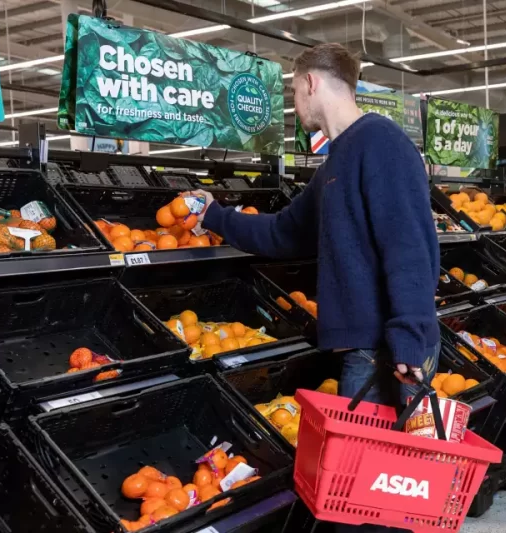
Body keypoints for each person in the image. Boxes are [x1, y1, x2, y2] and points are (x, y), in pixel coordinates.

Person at [189, 43, 441, 530]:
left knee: (367, 503)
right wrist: (216, 215)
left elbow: (408, 243)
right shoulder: (337, 161)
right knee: (371, 497)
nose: (293, 104)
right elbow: (284, 232)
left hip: (386, 351)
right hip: (369, 348)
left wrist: (409, 333)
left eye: (293, 91)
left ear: (310, 83)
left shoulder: (382, 144)